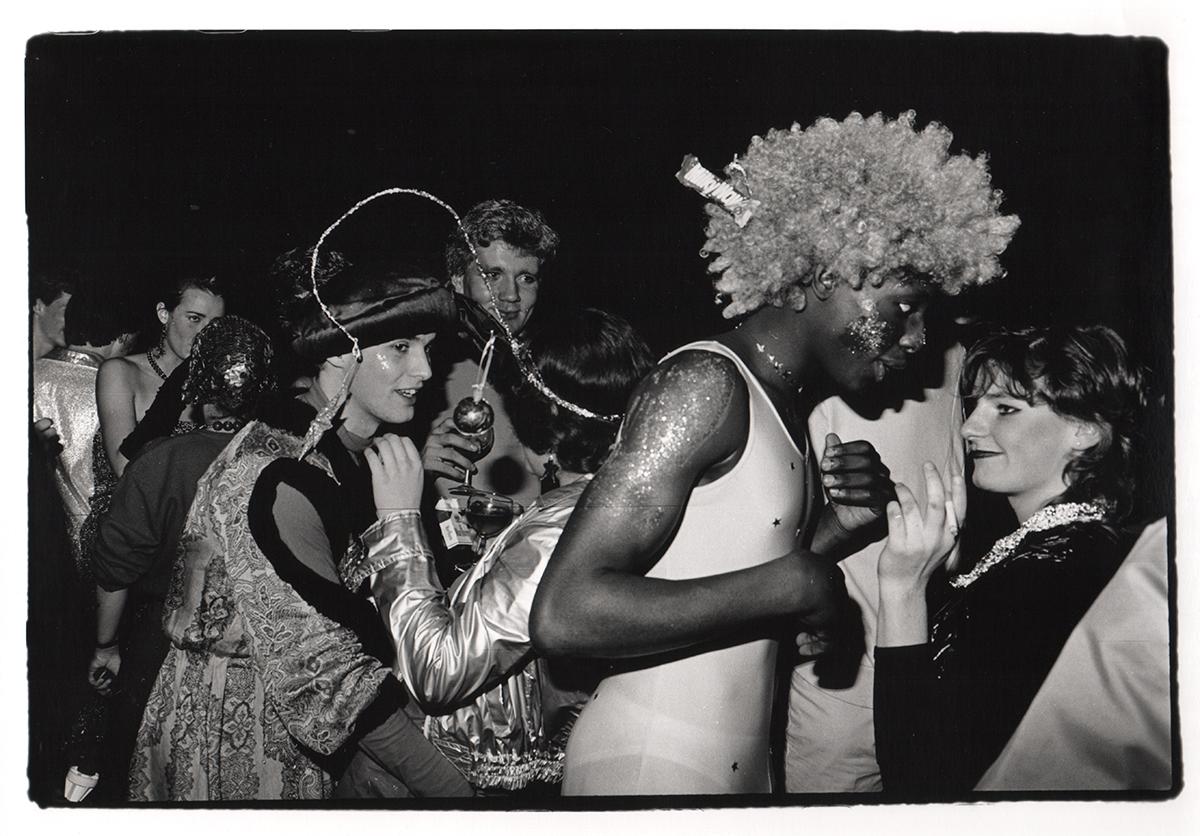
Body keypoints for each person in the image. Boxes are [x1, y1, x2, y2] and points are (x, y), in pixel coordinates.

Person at [530, 111, 1020, 795]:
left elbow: (726, 573)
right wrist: (792, 583)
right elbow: (564, 613)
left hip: (741, 769)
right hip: (650, 763)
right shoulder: (704, 382)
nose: (917, 340)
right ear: (826, 275)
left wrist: (835, 533)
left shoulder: (782, 401)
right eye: (906, 306)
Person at [128, 259, 471, 801]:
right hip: (240, 728)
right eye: (401, 348)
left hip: (314, 727)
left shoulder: (351, 453)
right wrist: (451, 789)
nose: (426, 371)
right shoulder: (276, 472)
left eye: (427, 348)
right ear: (340, 353)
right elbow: (324, 670)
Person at [345, 308, 654, 796]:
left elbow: (438, 670)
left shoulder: (566, 528)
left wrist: (398, 522)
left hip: (464, 784)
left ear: (541, 419)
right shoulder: (602, 500)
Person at [873, 324, 1148, 796]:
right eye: (974, 405)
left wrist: (903, 588)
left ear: (1084, 430)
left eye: (1005, 409)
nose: (969, 428)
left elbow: (920, 779)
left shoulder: (1043, 580)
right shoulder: (1079, 549)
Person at [88, 315, 275, 800]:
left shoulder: (160, 460)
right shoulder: (293, 458)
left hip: (163, 645)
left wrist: (106, 644)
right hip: (267, 655)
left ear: (196, 385)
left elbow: (116, 566)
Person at [783, 340, 965, 792]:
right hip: (840, 690)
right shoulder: (819, 361)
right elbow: (766, 547)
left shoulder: (955, 352)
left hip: (934, 675)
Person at [418, 199, 560, 509]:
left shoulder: (557, 370)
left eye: (526, 278)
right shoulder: (420, 369)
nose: (511, 296)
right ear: (457, 280)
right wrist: (417, 469)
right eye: (492, 275)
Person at [33, 280, 140, 567]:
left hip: (38, 542)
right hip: (101, 550)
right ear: (124, 338)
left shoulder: (29, 375)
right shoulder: (117, 392)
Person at [96, 272, 226, 478]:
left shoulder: (216, 383)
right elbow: (125, 469)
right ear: (164, 314)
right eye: (194, 318)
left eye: (215, 324)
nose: (205, 332)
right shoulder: (120, 372)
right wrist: (179, 381)